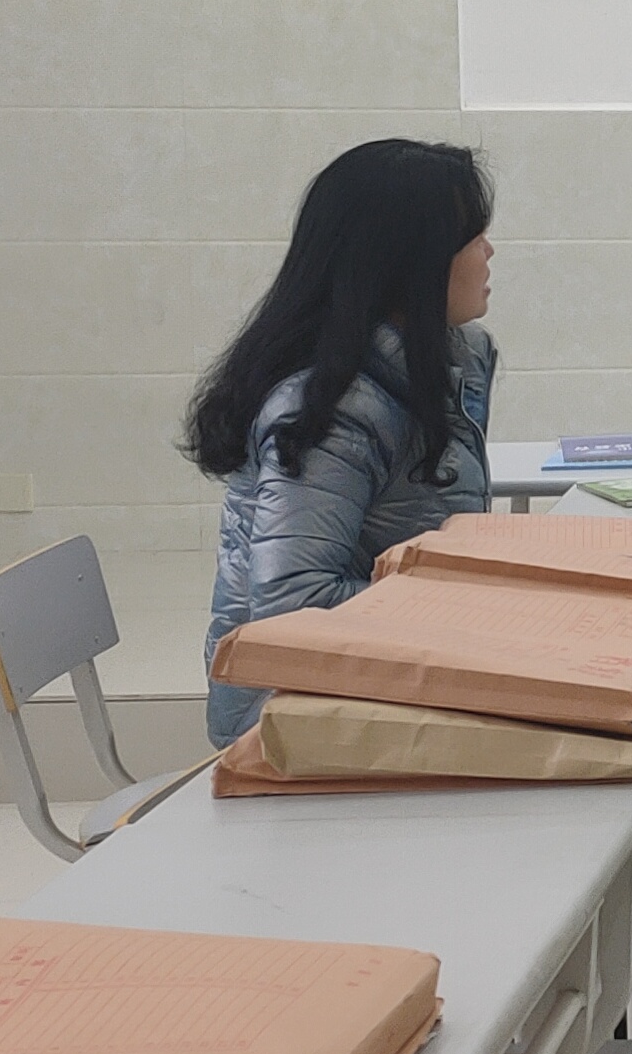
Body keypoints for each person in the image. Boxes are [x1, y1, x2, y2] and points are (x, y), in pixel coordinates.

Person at [187, 138, 499, 749]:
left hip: (388, 678)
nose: (488, 252)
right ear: (411, 261)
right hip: (289, 714)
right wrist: (469, 604)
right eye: (472, 237)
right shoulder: (330, 411)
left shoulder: (449, 361)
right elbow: (294, 607)